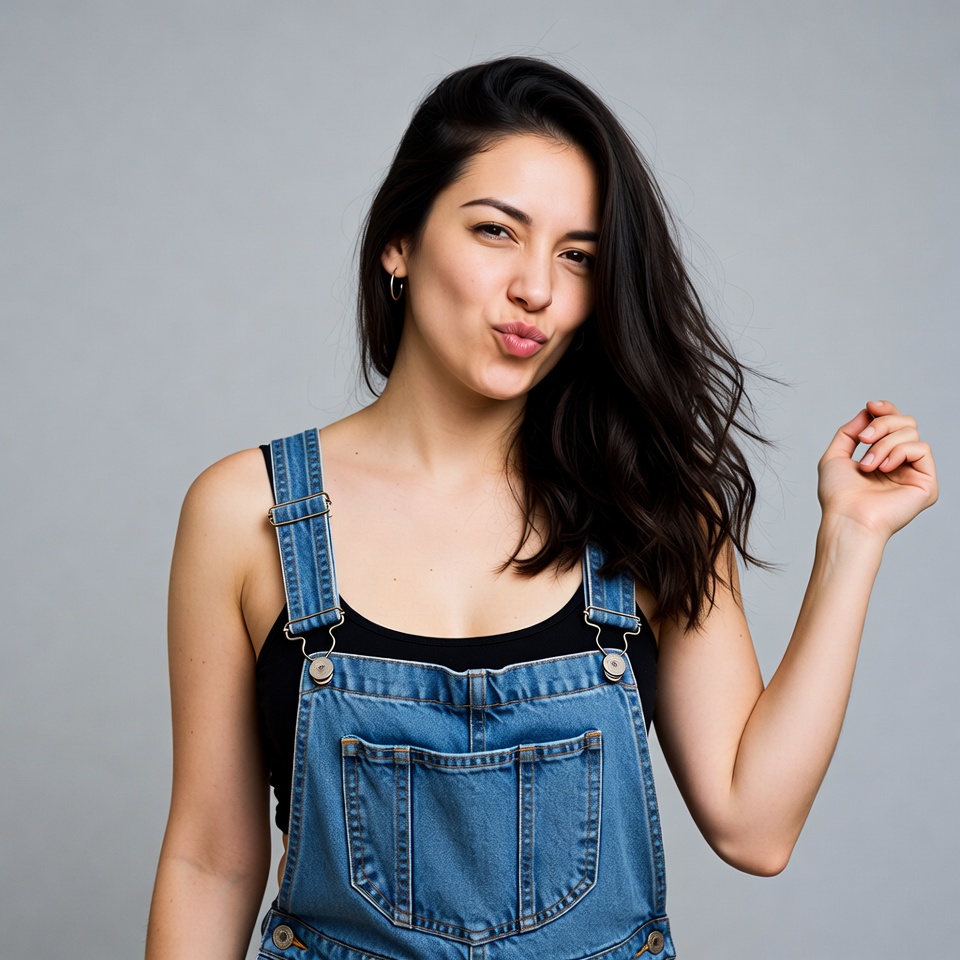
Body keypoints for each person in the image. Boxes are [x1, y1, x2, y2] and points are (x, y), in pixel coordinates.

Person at [145, 57, 937, 960]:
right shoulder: (246, 513)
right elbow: (211, 859)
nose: (538, 290)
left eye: (577, 256)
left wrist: (854, 535)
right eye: (495, 232)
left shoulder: (648, 506)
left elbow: (755, 828)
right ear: (398, 241)